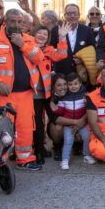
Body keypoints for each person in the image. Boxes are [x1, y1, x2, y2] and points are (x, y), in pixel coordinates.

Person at [0, 9, 45, 170]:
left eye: (19, 22)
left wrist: (21, 45)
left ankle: (25, 159)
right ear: (5, 22)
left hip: (26, 94)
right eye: (13, 22)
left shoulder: (28, 40)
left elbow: (39, 58)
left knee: (26, 128)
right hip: (3, 94)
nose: (16, 25)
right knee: (1, 129)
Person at [31, 24, 68, 164]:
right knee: (37, 124)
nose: (42, 36)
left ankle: (56, 145)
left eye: (45, 34)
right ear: (34, 34)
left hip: (47, 93)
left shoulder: (49, 50)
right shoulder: (28, 48)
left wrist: (62, 37)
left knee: (54, 118)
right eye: (39, 33)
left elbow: (62, 54)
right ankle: (39, 149)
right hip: (33, 93)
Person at [51, 73, 94, 170]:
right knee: (68, 141)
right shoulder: (64, 97)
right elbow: (61, 111)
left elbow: (88, 110)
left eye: (75, 84)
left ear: (80, 84)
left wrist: (88, 101)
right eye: (70, 84)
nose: (73, 86)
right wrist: (55, 108)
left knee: (87, 137)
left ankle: (86, 155)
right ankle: (65, 160)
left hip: (82, 124)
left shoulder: (84, 96)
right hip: (68, 125)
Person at [52, 4, 96, 77]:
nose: (72, 16)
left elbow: (92, 50)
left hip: (81, 75)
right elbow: (52, 50)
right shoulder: (56, 30)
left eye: (75, 13)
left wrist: (82, 60)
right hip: (61, 75)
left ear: (78, 15)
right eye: (69, 13)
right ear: (65, 16)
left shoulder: (87, 31)